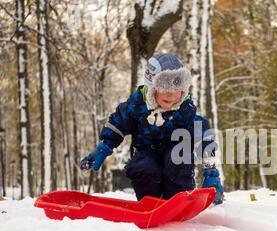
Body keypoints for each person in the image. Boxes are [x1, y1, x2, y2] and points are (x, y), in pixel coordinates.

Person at [80, 53, 224, 205]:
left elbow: (204, 137)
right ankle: (151, 203)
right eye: (164, 87)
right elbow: (118, 123)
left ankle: (178, 200)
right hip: (146, 152)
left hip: (175, 155)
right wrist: (105, 146)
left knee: (179, 157)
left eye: (177, 88)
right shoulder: (136, 106)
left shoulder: (185, 110)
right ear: (152, 87)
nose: (171, 94)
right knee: (143, 167)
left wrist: (211, 172)